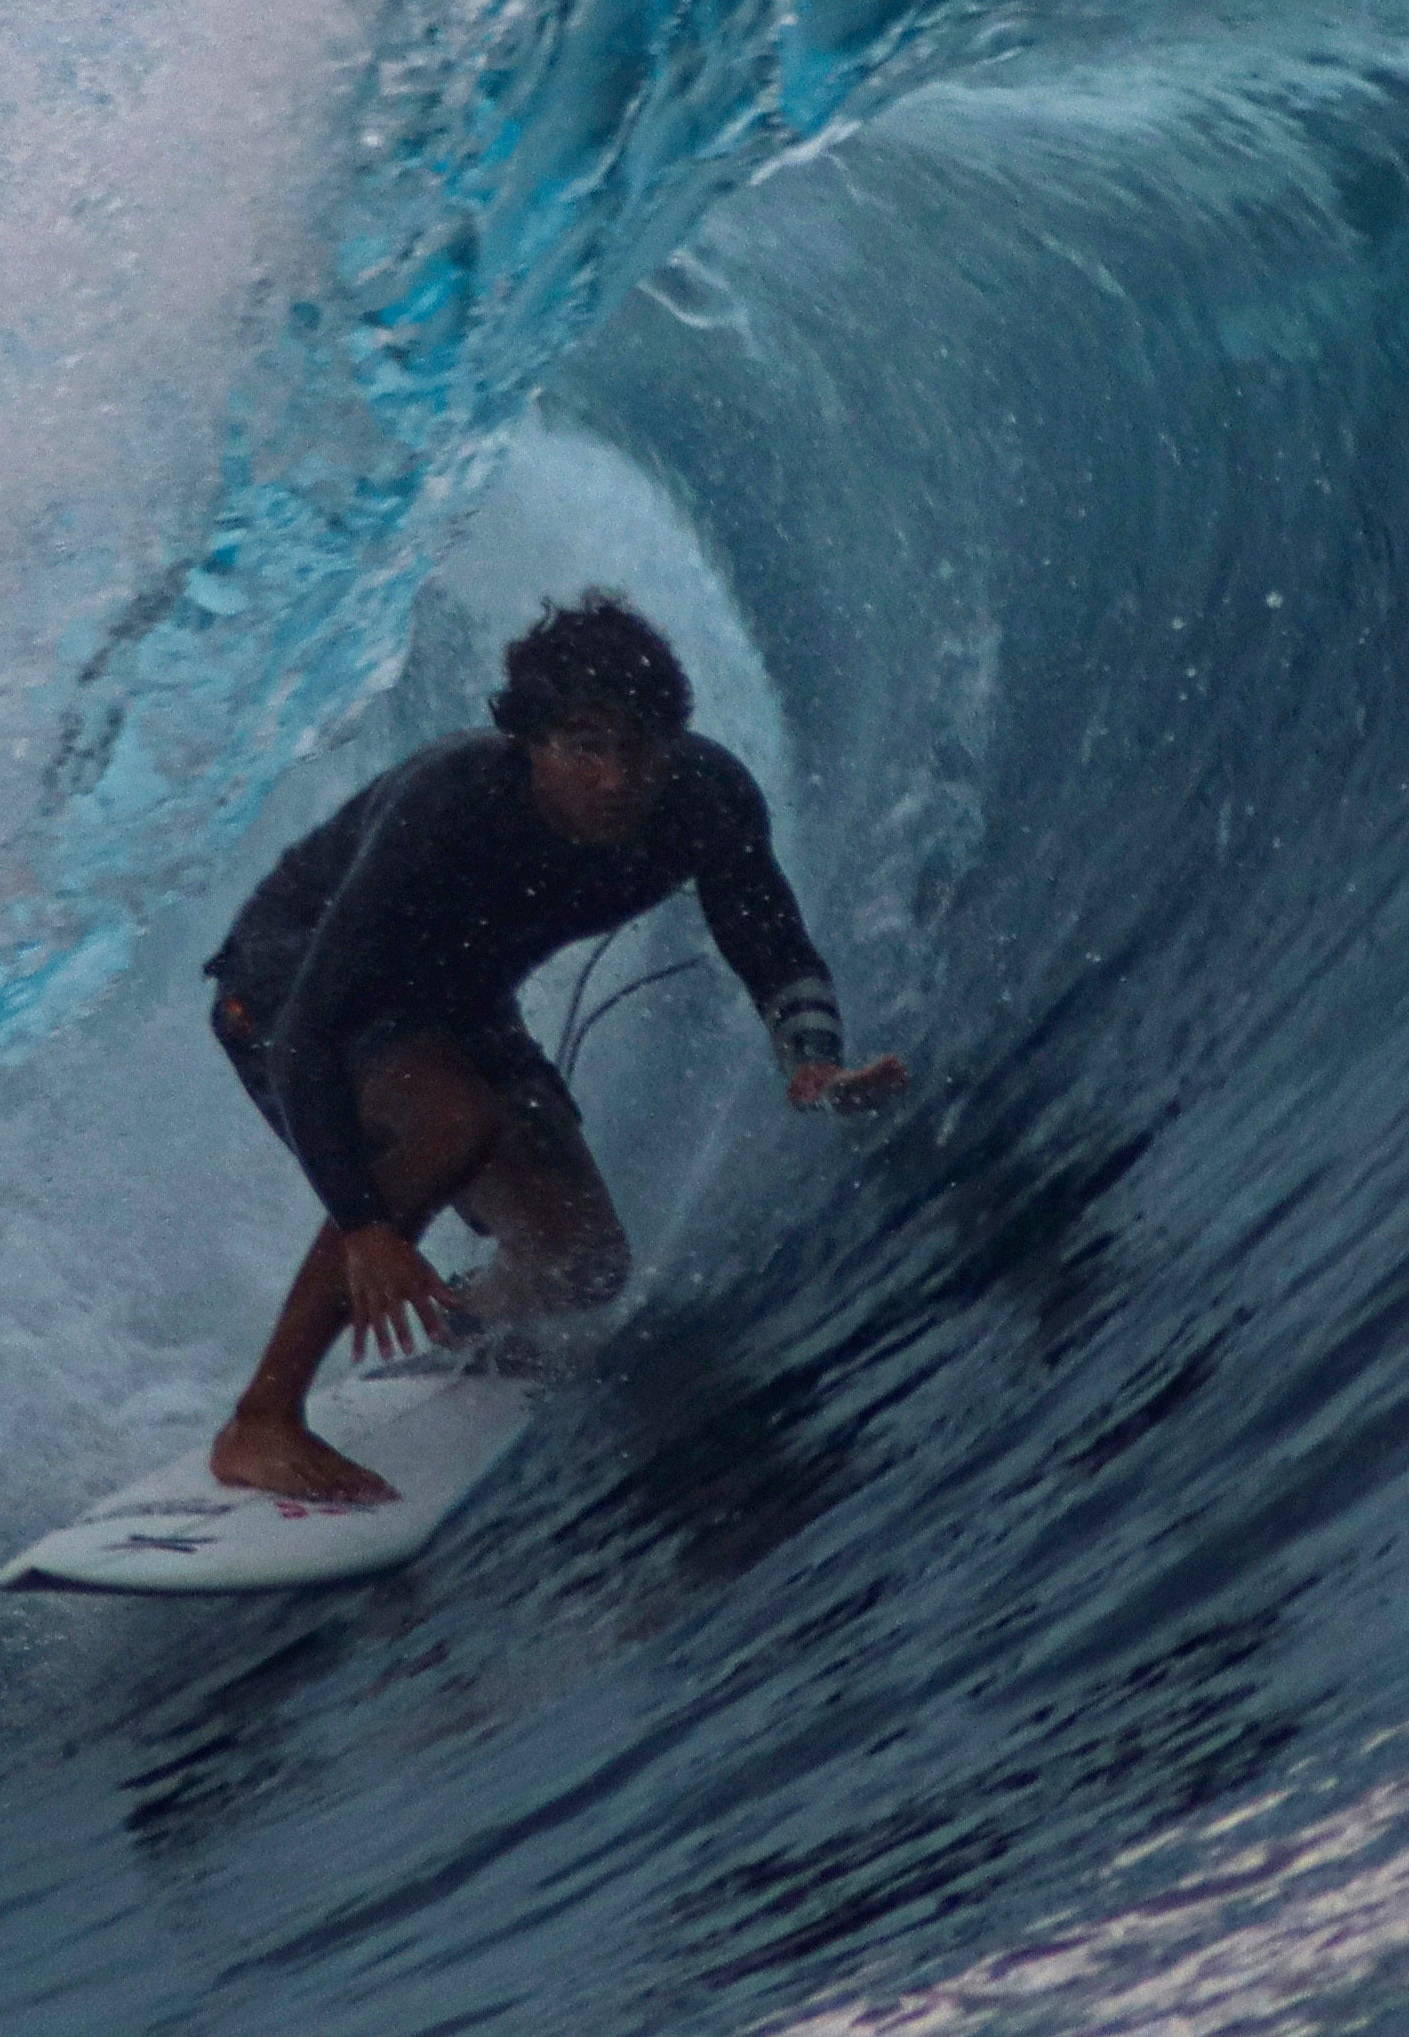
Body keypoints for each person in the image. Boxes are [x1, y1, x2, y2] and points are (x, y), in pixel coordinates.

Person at [202, 591, 908, 1502]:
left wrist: (811, 1059)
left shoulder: (704, 799)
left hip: (459, 1008)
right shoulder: (448, 806)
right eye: (584, 747)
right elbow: (308, 1031)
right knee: (454, 1118)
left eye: (637, 747)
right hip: (287, 993)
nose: (615, 778)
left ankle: (461, 1325)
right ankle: (260, 1421)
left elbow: (769, 938)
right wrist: (368, 1227)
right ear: (529, 742)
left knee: (581, 1264)